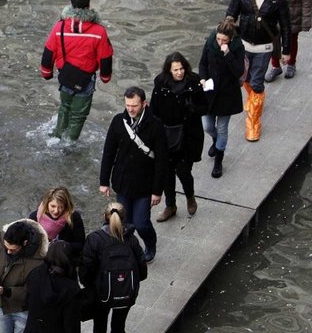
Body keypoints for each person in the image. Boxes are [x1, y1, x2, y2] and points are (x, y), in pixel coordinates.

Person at [78, 202, 147, 333]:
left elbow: (85, 272)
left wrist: (92, 285)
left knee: (99, 328)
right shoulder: (131, 240)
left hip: (101, 294)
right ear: (124, 218)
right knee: (118, 326)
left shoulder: (95, 239)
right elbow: (143, 271)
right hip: (125, 295)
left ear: (104, 216)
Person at [99, 87, 168, 263]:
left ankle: (150, 245)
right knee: (125, 224)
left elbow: (161, 161)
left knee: (141, 223)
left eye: (134, 105)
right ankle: (130, 250)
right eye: (128, 105)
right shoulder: (118, 122)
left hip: (145, 185)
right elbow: (109, 152)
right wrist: (104, 181)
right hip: (123, 183)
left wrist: (157, 191)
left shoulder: (156, 126)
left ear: (144, 104)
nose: (130, 109)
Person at [225, 0, 291, 141]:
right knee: (244, 78)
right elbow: (231, 14)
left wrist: (286, 50)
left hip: (264, 48)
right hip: (244, 45)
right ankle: (253, 100)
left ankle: (253, 123)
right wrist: (227, 36)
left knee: (256, 82)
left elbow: (286, 25)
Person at [40, 0, 114, 141]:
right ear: (88, 6)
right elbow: (105, 57)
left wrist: (47, 73)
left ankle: (57, 137)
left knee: (64, 107)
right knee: (78, 115)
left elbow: (48, 52)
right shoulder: (99, 31)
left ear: (71, 5)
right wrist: (105, 77)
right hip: (85, 80)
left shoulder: (59, 27)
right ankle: (69, 145)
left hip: (66, 77)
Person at [149, 53, 207, 221]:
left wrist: (193, 108)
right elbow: (154, 110)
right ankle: (170, 205)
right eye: (176, 70)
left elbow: (205, 107)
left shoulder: (194, 82)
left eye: (181, 69)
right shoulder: (161, 84)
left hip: (188, 135)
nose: (180, 72)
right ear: (169, 70)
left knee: (183, 170)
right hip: (167, 135)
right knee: (167, 172)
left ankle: (190, 196)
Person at [198, 19, 245, 179]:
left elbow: (239, 71)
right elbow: (203, 63)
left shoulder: (238, 47)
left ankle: (219, 159)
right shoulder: (210, 42)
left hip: (227, 94)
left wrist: (227, 54)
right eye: (218, 39)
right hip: (209, 91)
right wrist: (203, 78)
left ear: (231, 39)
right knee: (207, 126)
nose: (220, 43)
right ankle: (216, 141)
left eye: (224, 40)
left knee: (223, 127)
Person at [27, 186, 85, 265]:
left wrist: (61, 246)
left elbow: (80, 245)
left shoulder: (74, 217)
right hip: (41, 261)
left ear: (66, 206)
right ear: (47, 204)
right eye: (53, 206)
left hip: (65, 261)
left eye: (61, 207)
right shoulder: (35, 217)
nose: (56, 211)